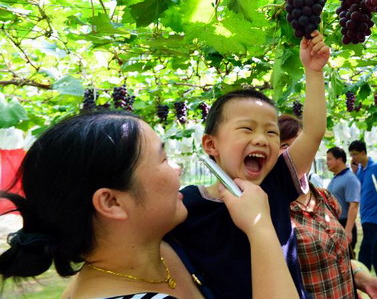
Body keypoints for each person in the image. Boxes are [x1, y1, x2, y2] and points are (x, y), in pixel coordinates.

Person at [0, 111, 299, 299]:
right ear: (112, 201)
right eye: (163, 159)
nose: (177, 170)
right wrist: (260, 228)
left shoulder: (162, 252)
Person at [168, 31, 329, 299]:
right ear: (211, 145)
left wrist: (314, 72)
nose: (261, 139)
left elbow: (313, 133)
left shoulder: (276, 181)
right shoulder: (187, 206)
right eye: (247, 128)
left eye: (271, 132)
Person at [281, 117, 377, 299]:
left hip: (372, 217)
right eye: (285, 146)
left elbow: (340, 259)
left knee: (372, 251)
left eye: (302, 144)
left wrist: (364, 281)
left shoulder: (324, 198)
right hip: (367, 217)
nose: (297, 152)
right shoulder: (271, 211)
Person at [348, 140, 377, 279]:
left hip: (375, 215)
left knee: (366, 249)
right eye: (351, 155)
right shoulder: (361, 170)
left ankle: (361, 277)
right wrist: (354, 171)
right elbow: (357, 187)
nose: (353, 158)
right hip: (365, 215)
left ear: (363, 152)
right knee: (376, 251)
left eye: (355, 154)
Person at [326, 146, 361, 258]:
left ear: (340, 160)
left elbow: (353, 206)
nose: (327, 162)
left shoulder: (350, 179)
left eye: (329, 159)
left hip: (344, 224)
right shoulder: (335, 178)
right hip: (334, 224)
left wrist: (348, 230)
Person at [279, 114, 324, 188]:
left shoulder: (325, 196)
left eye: (301, 145)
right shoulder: (261, 196)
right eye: (285, 146)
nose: (295, 151)